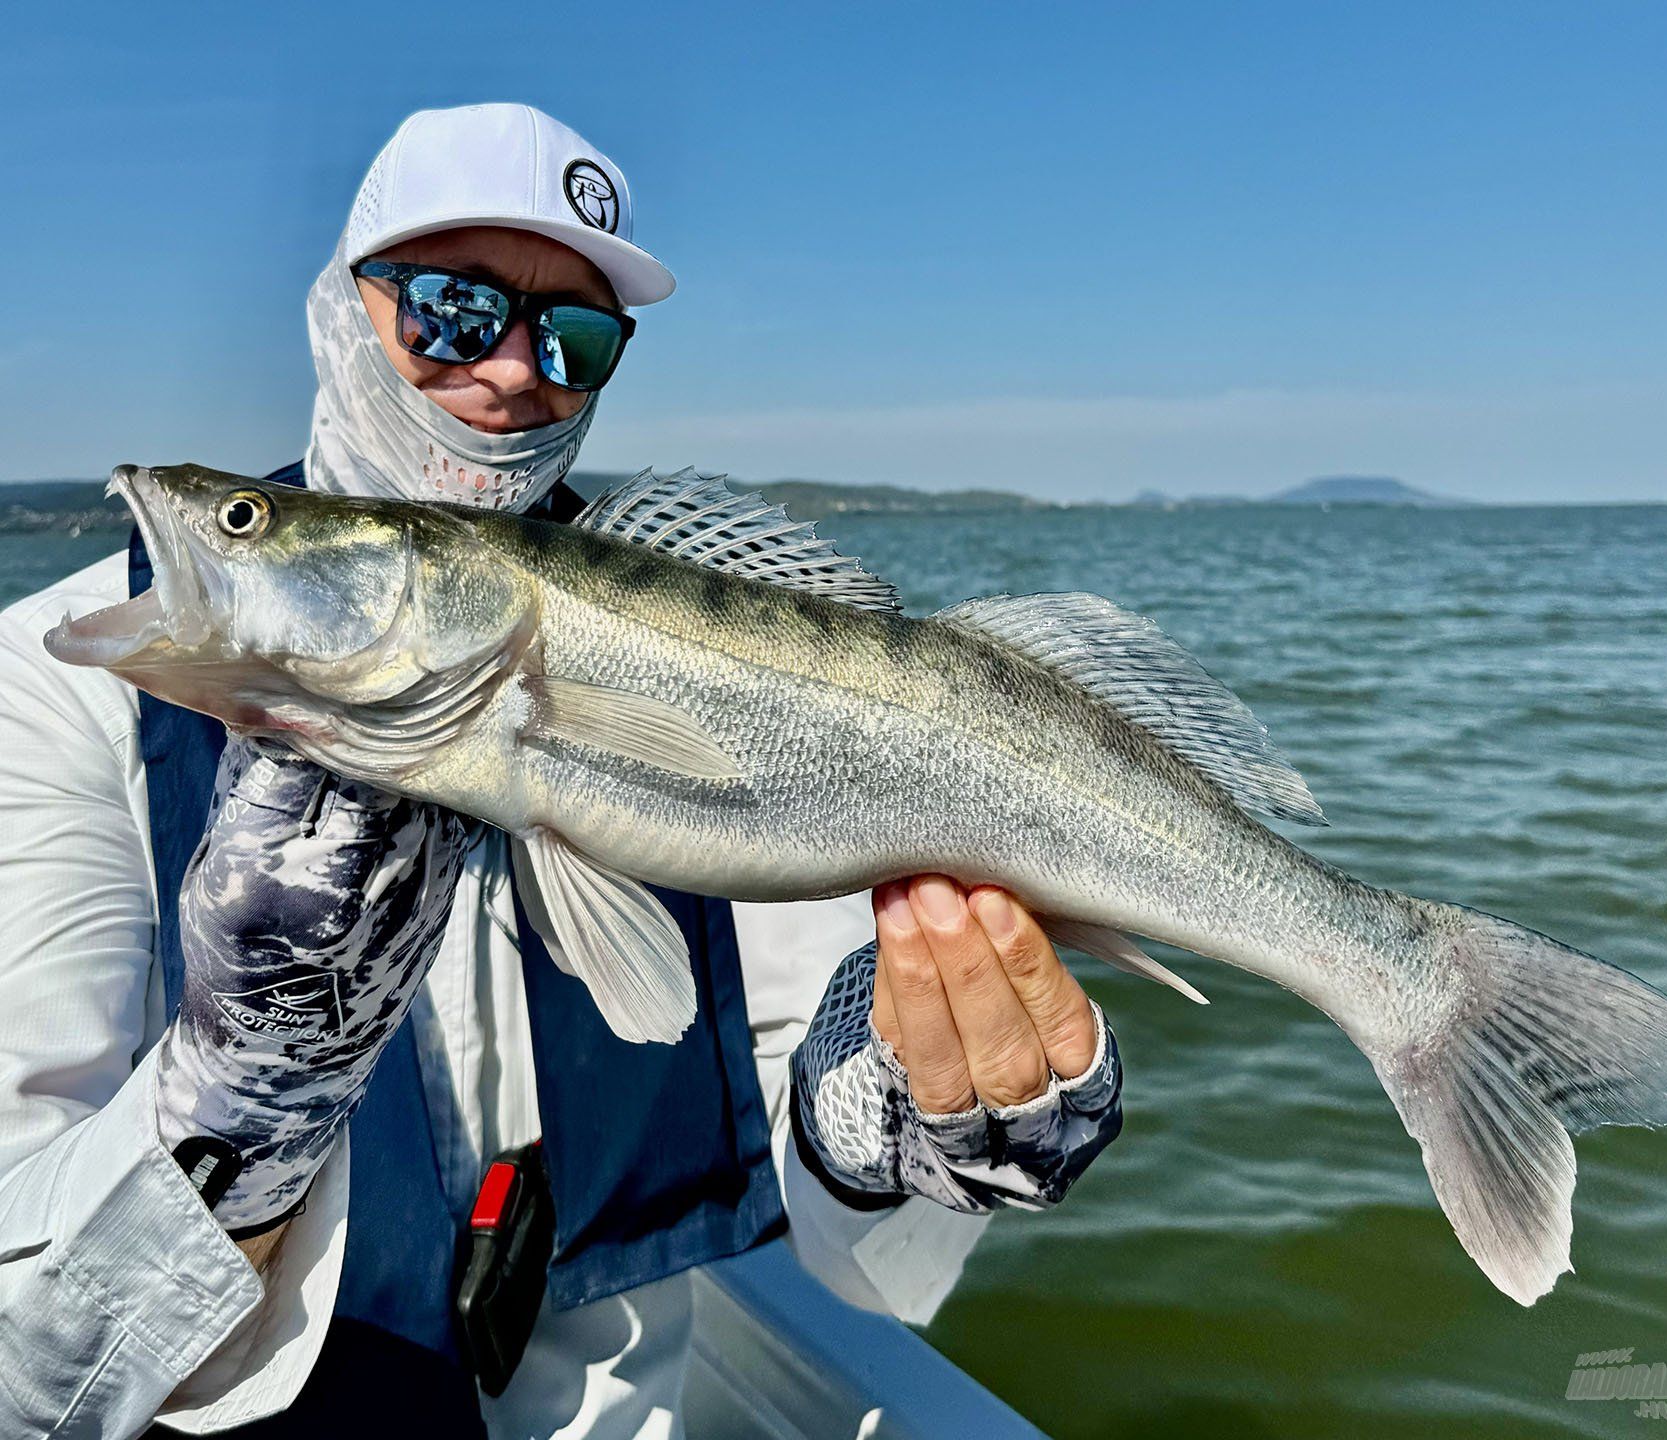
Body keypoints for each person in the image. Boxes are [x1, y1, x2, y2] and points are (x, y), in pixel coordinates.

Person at [0, 103, 1124, 1438]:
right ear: (342, 309)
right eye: (449, 308)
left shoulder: (721, 655)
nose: (517, 371)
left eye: (576, 338)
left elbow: (815, 1222)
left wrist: (895, 1128)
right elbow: (28, 1381)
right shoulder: (52, 683)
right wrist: (247, 1095)